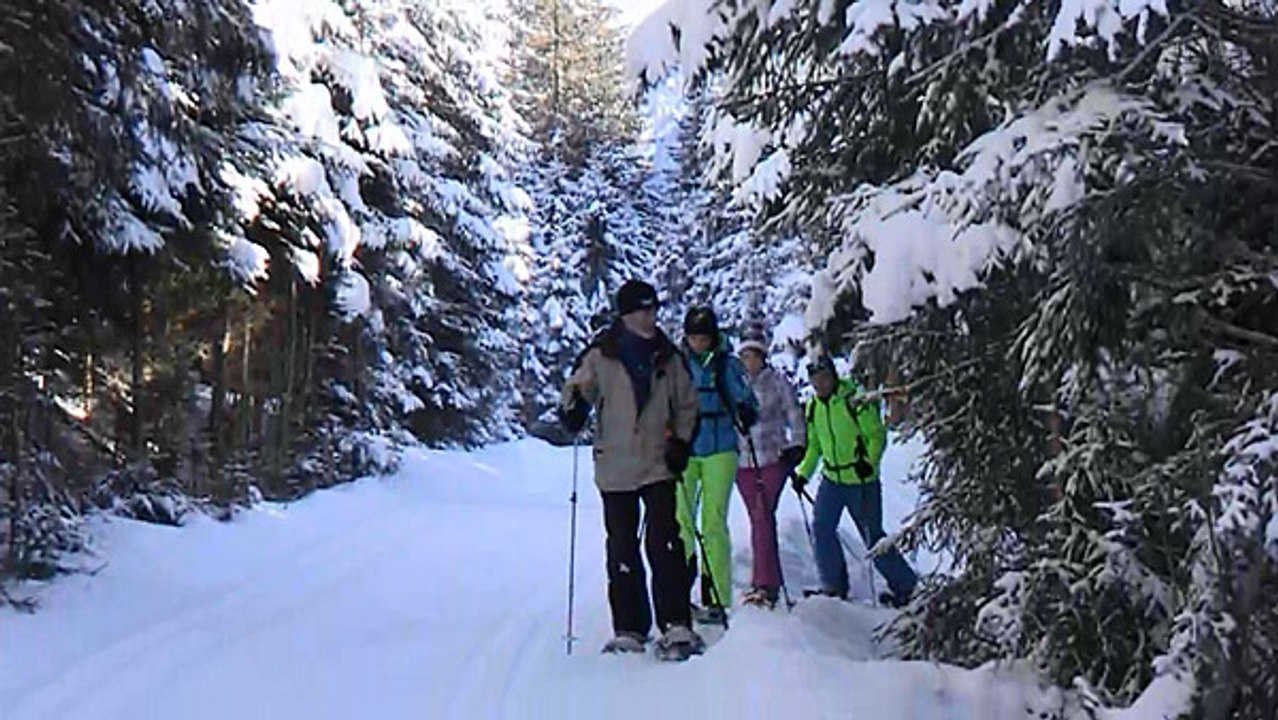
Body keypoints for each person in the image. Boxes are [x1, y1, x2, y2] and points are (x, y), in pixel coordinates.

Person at [560, 279, 705, 660]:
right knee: (622, 547)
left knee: (665, 542)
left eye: (653, 308)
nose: (650, 315)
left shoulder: (668, 356)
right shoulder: (602, 354)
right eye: (642, 309)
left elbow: (688, 405)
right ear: (626, 314)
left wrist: (681, 444)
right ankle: (629, 627)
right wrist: (573, 411)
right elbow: (578, 390)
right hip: (616, 466)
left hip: (658, 462)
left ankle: (675, 623)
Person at [791, 354, 918, 607]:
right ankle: (834, 586)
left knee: (872, 536)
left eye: (824, 378)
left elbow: (876, 436)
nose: (820, 384)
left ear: (833, 376)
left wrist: (868, 464)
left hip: (862, 481)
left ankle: (906, 586)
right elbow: (815, 446)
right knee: (822, 528)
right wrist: (803, 473)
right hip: (832, 479)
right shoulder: (814, 407)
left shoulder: (854, 401)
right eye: (815, 380)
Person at [676, 306, 759, 625]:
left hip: (720, 446)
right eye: (694, 337)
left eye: (703, 337)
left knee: (713, 522)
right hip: (684, 448)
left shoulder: (727, 364)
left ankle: (716, 596)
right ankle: (678, 595)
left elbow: (747, 400)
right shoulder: (677, 365)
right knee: (681, 522)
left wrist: (747, 412)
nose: (699, 343)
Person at [734, 322, 806, 609]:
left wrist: (797, 446)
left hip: (771, 458)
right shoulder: (735, 383)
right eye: (745, 355)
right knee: (758, 519)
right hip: (742, 462)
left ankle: (764, 583)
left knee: (763, 516)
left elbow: (794, 415)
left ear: (763, 356)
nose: (749, 360)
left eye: (753, 355)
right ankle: (765, 580)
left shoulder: (777, 382)